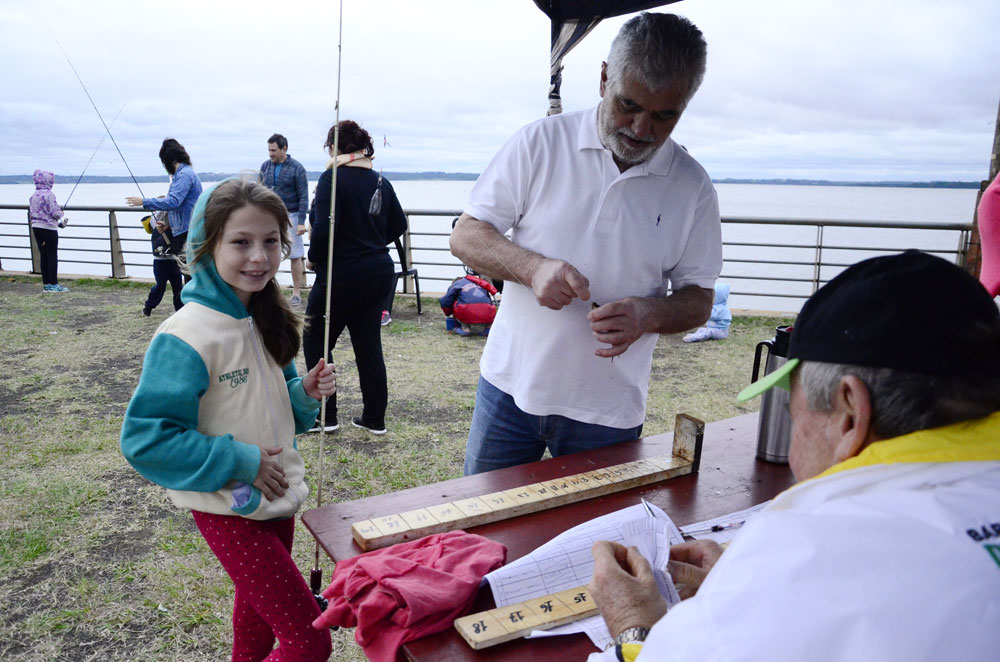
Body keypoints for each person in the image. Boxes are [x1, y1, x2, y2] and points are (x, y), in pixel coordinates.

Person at [587, 250, 1000, 661]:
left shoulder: (804, 555)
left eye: (794, 414)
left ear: (850, 413)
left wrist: (633, 625)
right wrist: (748, 589)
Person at [449, 12, 722, 475]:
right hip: (509, 389)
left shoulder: (692, 186)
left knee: (593, 526)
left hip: (609, 411)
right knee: (482, 520)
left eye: (664, 115)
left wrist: (647, 314)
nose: (641, 128)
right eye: (628, 104)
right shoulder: (538, 142)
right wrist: (532, 268)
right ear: (603, 78)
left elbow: (699, 298)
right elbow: (466, 234)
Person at [120, 179, 336, 662]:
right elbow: (146, 439)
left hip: (277, 495)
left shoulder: (269, 316)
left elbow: (278, 411)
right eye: (240, 242)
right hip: (228, 507)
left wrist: (303, 394)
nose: (259, 257)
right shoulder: (186, 334)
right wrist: (240, 460)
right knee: (309, 642)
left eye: (271, 241)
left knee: (255, 624)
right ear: (207, 246)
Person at [303, 120, 407, 435]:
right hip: (377, 271)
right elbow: (399, 224)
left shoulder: (331, 178)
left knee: (316, 340)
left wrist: (313, 259)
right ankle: (374, 418)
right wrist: (371, 242)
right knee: (368, 344)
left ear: (334, 147)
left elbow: (322, 229)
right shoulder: (379, 181)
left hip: (341, 273)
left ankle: (326, 416)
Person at [126, 138, 203, 260]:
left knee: (188, 269)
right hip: (185, 231)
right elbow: (183, 206)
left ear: (168, 160)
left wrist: (143, 201)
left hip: (187, 234)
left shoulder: (184, 175)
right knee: (186, 268)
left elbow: (173, 202)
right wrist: (168, 225)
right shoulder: (184, 174)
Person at [260, 133, 310, 306]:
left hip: (292, 216)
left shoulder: (297, 168)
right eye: (269, 150)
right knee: (266, 252)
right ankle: (267, 290)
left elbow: (303, 196)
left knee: (295, 255)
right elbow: (259, 191)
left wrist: (302, 222)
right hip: (269, 215)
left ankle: (296, 293)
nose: (271, 154)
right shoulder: (265, 166)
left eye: (274, 150)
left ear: (284, 149)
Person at [29, 169, 70, 292]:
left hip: (36, 227)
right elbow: (54, 213)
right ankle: (54, 284)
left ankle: (46, 284)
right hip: (49, 229)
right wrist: (61, 213)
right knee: (52, 256)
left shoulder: (34, 195)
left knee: (44, 255)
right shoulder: (49, 195)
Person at [140, 210, 184, 315]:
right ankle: (149, 306)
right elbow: (152, 223)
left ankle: (180, 310)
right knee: (160, 286)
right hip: (160, 260)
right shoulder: (156, 219)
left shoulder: (176, 217)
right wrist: (163, 208)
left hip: (174, 258)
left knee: (178, 287)